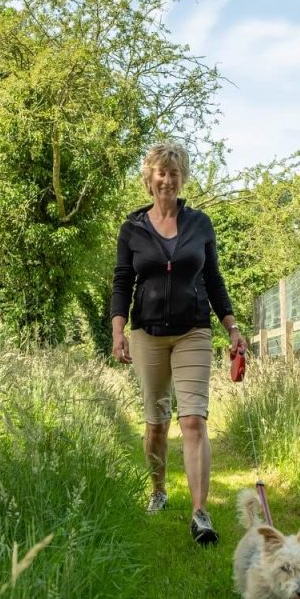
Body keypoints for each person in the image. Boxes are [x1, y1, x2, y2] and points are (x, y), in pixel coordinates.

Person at [110, 141, 246, 546]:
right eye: (160, 173)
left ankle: (200, 513)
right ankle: (158, 491)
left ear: (181, 178)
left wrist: (232, 327)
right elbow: (122, 282)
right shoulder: (132, 229)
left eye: (174, 173)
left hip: (193, 330)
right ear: (149, 180)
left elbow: (214, 280)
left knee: (193, 419)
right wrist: (118, 331)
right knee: (156, 422)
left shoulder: (200, 224)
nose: (167, 180)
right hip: (147, 334)